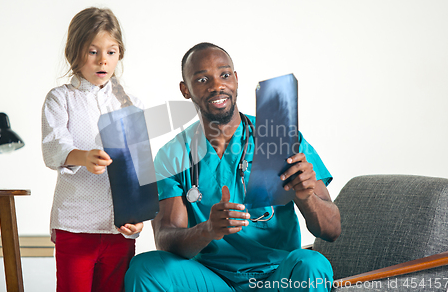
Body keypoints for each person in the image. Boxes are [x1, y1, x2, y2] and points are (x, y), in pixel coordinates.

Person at [125, 42, 341, 291]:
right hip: (212, 280)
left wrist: (306, 198)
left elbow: (332, 230)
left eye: (224, 75)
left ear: (236, 79)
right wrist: (208, 229)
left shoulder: (278, 138)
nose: (217, 85)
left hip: (278, 277)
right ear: (186, 90)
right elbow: (165, 239)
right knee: (146, 269)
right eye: (203, 79)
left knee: (312, 263)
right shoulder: (173, 155)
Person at [42, 7, 144, 292]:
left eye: (111, 52)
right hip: (74, 226)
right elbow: (54, 148)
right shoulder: (60, 99)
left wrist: (138, 219)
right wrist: (83, 157)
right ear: (74, 53)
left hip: (118, 230)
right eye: (92, 51)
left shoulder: (131, 104)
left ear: (119, 54)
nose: (103, 60)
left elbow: (138, 168)